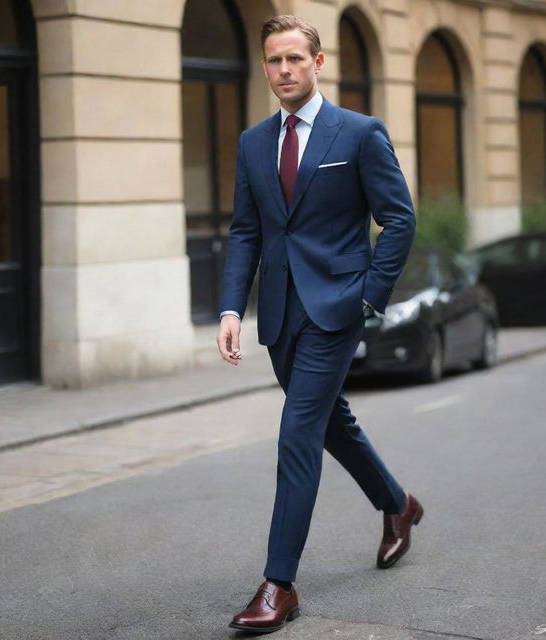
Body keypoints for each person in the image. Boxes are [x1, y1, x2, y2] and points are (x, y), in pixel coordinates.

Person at [216, 14, 421, 634]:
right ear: (265, 66)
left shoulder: (358, 134)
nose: (284, 71)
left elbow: (399, 219)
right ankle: (398, 505)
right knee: (334, 423)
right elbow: (247, 230)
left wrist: (368, 298)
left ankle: (279, 584)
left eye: (295, 60)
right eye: (274, 61)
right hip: (279, 316)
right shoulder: (254, 142)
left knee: (298, 432)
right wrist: (231, 309)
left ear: (318, 62)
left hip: (336, 311)